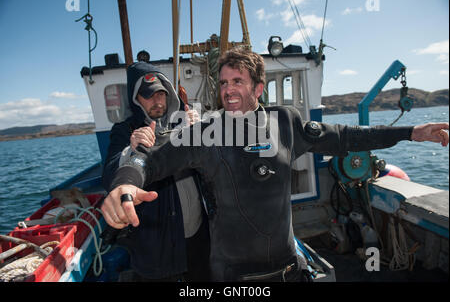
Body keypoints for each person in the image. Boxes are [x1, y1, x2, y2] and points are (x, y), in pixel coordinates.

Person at [101, 47, 449, 281]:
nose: (228, 90)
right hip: (230, 275)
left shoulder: (285, 124)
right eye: (223, 83)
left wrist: (411, 132)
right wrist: (125, 183)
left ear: (258, 86)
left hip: (288, 269)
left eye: (237, 81)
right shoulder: (206, 132)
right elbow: (152, 158)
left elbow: (344, 136)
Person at [101, 60, 209, 281]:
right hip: (156, 246)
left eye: (161, 94)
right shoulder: (125, 130)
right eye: (149, 95)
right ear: (136, 99)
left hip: (198, 237)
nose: (157, 100)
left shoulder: (184, 123)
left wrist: (200, 133)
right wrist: (130, 150)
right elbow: (109, 174)